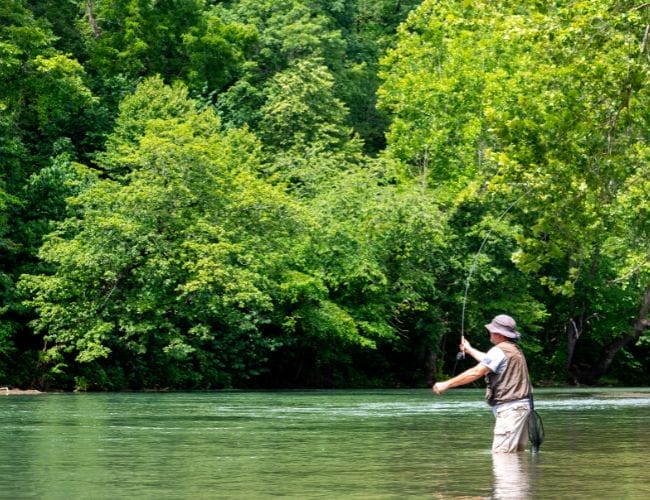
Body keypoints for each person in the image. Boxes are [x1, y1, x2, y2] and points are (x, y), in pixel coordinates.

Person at [432, 314, 532, 453]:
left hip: (510, 410)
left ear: (499, 334)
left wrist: (446, 384)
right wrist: (469, 349)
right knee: (516, 455)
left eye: (491, 330)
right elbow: (489, 360)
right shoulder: (513, 349)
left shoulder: (499, 350)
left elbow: (476, 372)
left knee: (501, 455)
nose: (489, 332)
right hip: (522, 408)